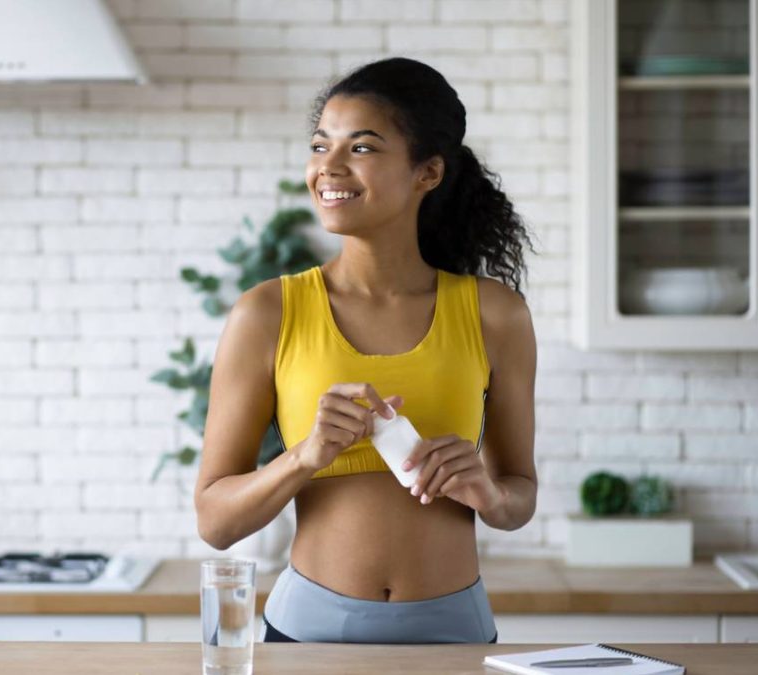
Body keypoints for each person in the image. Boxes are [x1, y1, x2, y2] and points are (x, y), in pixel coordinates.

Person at [194, 56, 538, 644]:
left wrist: (488, 492)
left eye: (361, 148)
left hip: (454, 633)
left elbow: (518, 496)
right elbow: (215, 523)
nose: (327, 167)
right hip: (308, 634)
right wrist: (305, 456)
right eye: (320, 145)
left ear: (427, 172)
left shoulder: (494, 313)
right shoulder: (267, 313)